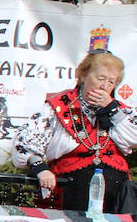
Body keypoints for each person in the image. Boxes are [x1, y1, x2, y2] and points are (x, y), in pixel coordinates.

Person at [12, 50, 137, 212]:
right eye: (100, 78)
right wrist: (40, 168)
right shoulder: (59, 106)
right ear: (83, 76)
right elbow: (26, 141)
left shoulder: (119, 111)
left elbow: (133, 139)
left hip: (115, 197)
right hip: (70, 192)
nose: (105, 86)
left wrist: (111, 109)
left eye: (111, 82)